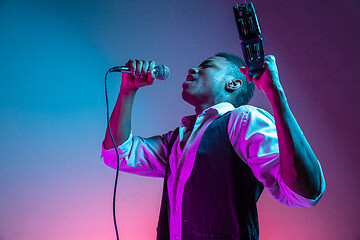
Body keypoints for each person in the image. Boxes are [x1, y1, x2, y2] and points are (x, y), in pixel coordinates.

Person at [101, 53, 325, 240]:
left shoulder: (242, 120)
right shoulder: (176, 140)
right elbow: (118, 154)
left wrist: (274, 92)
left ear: (233, 83)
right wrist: (128, 88)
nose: (192, 69)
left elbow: (304, 193)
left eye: (206, 66)